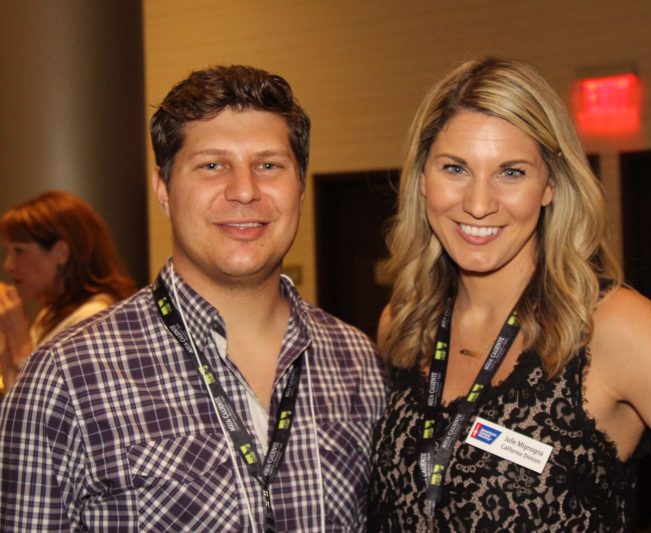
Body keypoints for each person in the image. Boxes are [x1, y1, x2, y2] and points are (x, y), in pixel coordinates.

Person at [368, 57, 651, 531]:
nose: (478, 203)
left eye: (511, 172)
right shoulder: (407, 322)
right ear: (423, 179)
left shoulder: (613, 329)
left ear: (550, 185)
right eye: (455, 168)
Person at [0, 65, 387, 532]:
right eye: (212, 165)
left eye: (269, 165)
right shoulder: (67, 377)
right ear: (163, 188)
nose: (245, 190)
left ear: (300, 187)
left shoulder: (359, 363)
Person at [0, 190, 136, 391]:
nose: (8, 265)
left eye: (19, 251)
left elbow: (45, 407)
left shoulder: (95, 318)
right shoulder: (52, 312)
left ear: (60, 252)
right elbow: (12, 396)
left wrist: (20, 341)